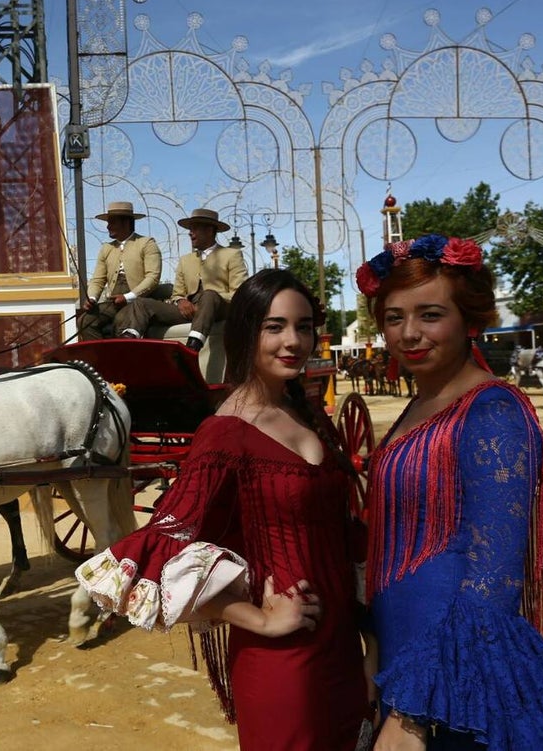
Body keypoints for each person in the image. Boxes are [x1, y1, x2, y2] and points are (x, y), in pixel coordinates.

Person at [77, 268, 371, 750]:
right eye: (274, 327)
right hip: (283, 658)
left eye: (303, 326)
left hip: (343, 645)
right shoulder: (225, 432)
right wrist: (259, 620)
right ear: (244, 333)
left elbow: (345, 532)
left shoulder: (309, 413)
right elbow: (165, 550)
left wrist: (372, 645)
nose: (292, 341)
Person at [355, 234, 543, 750]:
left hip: (457, 677)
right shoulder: (419, 404)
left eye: (429, 315)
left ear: (468, 319)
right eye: (394, 318)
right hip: (402, 654)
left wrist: (413, 713)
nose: (409, 334)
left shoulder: (493, 412)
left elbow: (494, 581)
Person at [119, 207, 247, 351]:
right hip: (189, 311)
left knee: (209, 295)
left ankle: (193, 346)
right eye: (190, 229)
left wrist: (204, 304)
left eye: (195, 228)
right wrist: (181, 301)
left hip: (219, 308)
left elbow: (239, 293)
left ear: (210, 230)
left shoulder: (232, 255)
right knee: (141, 303)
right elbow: (177, 293)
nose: (190, 233)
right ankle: (128, 341)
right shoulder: (185, 260)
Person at [78, 201, 162, 341]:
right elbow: (98, 280)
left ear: (126, 223)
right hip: (113, 302)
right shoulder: (107, 248)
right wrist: (92, 298)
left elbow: (153, 277)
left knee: (121, 323)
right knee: (84, 321)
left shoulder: (146, 243)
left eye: (112, 222)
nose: (108, 226)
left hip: (137, 303)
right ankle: (102, 358)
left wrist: (128, 297)